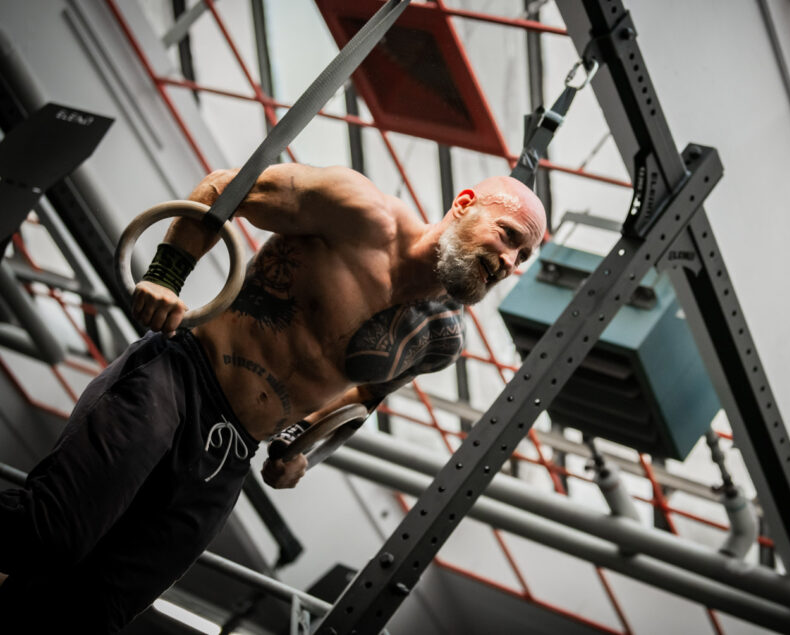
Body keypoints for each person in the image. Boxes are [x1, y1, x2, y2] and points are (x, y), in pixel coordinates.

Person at [0, 163, 545, 631]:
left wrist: (300, 445)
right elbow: (225, 189)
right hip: (182, 379)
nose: (510, 261)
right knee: (49, 535)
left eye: (521, 256)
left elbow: (363, 395)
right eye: (508, 236)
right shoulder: (360, 211)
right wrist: (167, 276)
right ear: (463, 205)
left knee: (97, 611)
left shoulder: (439, 339)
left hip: (232, 453)